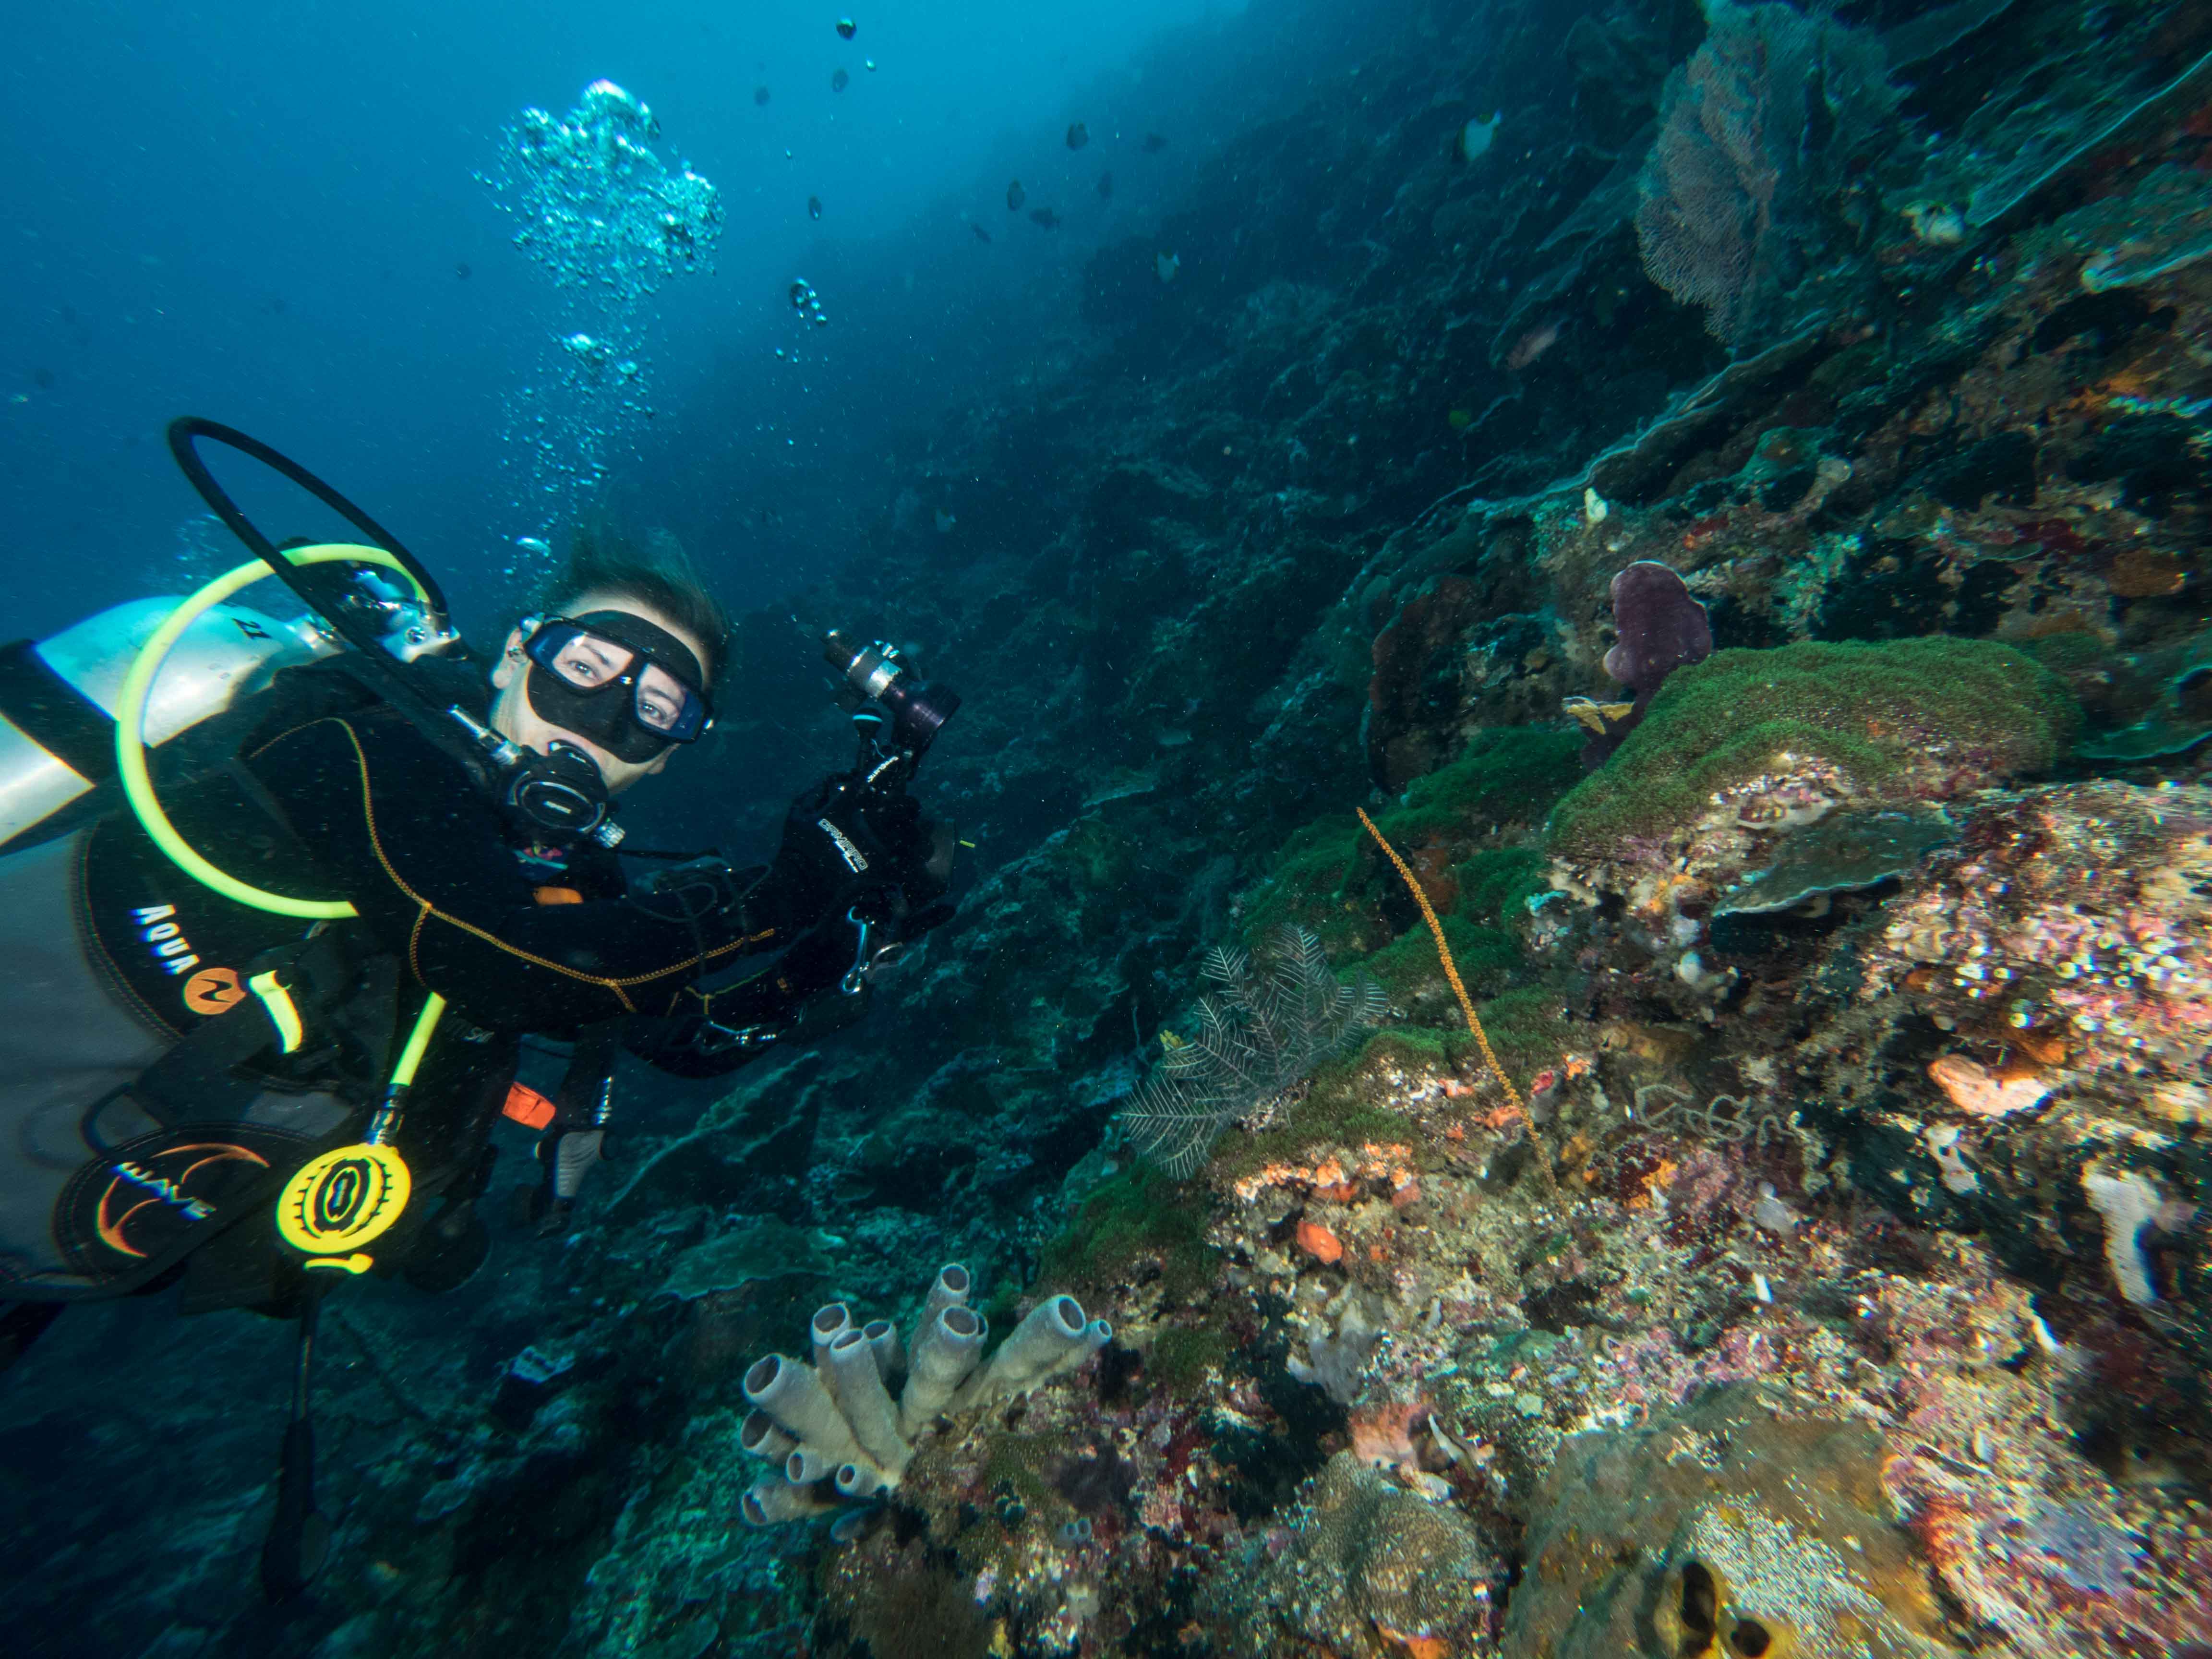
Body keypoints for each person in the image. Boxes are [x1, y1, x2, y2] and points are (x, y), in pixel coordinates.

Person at [0, 529, 950, 1361]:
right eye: (585, 665)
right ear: (512, 657)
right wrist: (794, 885)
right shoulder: (358, 746)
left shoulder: (561, 891)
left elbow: (689, 1035)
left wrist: (850, 932)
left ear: (666, 757)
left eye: (658, 708)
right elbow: (503, 962)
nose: (605, 716)